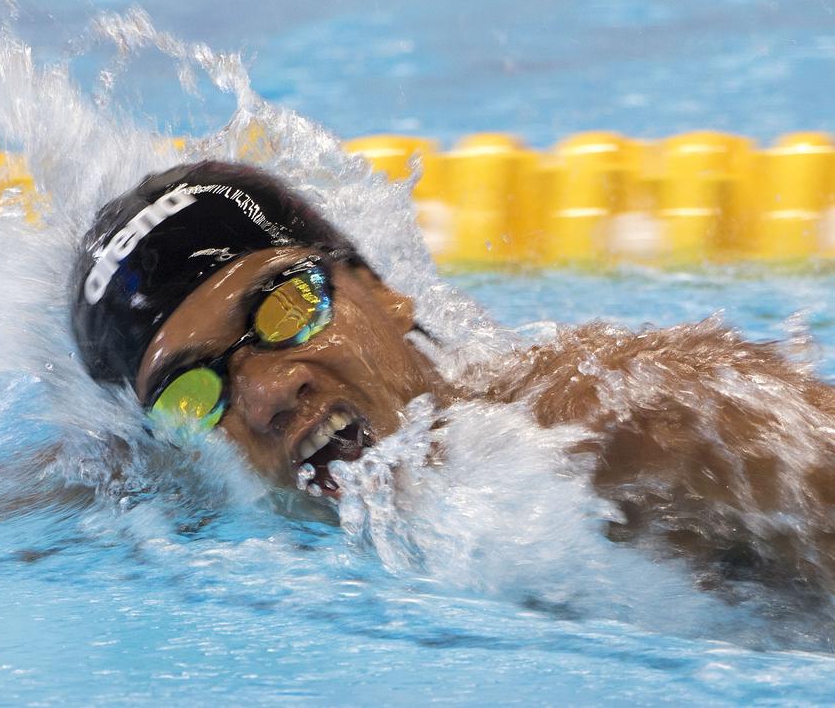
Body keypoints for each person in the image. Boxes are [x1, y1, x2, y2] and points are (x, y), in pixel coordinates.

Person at [70, 160, 835, 593]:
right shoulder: (207, 521)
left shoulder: (628, 429)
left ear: (381, 293)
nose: (267, 395)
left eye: (286, 308)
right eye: (193, 393)